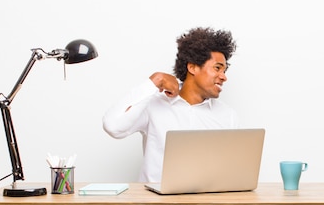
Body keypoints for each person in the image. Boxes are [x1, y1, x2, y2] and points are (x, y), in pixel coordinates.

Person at [102, 27, 238, 182]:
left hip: (205, 203)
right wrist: (154, 82)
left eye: (224, 71)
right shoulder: (154, 104)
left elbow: (229, 171)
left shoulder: (228, 116)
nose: (223, 77)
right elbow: (113, 126)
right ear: (192, 67)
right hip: (156, 204)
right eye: (217, 68)